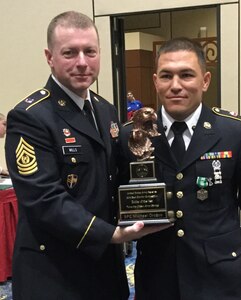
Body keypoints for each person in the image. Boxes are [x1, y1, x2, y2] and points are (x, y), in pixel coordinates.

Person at [5, 11, 169, 300]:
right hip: (55, 270)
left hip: (104, 265)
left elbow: (115, 176)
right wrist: (110, 235)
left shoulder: (105, 109)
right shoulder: (30, 117)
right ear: (49, 56)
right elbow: (44, 199)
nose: (82, 62)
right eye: (70, 52)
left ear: (99, 54)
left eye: (89, 51)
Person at [119, 37, 241, 299]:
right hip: (157, 277)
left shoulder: (233, 131)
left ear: (205, 81)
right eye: (167, 76)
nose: (176, 85)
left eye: (187, 75)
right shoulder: (132, 135)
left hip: (219, 278)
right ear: (156, 81)